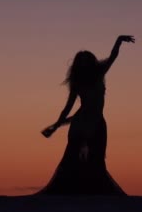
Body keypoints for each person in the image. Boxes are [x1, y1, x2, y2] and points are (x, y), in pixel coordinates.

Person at [37, 35, 135, 195]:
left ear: (91, 62)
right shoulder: (77, 83)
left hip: (97, 123)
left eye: (86, 61)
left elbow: (113, 56)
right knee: (71, 160)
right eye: (81, 62)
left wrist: (118, 40)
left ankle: (95, 192)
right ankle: (70, 192)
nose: (84, 65)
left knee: (97, 160)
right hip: (81, 124)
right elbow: (67, 108)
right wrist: (55, 127)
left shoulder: (99, 73)